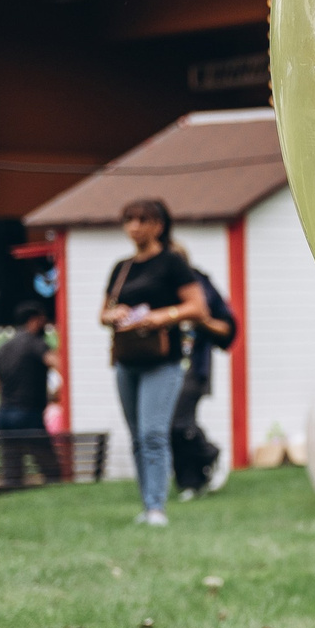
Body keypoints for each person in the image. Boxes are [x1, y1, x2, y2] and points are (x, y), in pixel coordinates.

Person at [100, 197, 208, 527]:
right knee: (136, 436)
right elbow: (103, 312)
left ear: (157, 226)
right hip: (127, 360)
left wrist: (160, 317)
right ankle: (147, 503)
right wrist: (114, 314)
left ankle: (157, 508)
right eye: (128, 220)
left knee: (153, 434)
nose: (133, 227)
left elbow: (197, 308)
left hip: (163, 361)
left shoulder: (172, 263)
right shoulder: (122, 268)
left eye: (141, 220)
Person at [170, 266, 235, 498]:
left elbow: (227, 327)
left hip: (193, 366)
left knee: (179, 422)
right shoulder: (154, 278)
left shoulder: (200, 283)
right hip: (161, 366)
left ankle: (210, 454)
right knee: (171, 427)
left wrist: (200, 319)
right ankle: (189, 481)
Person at [0, 300, 61, 484]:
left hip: (5, 413)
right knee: (51, 467)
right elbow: (57, 364)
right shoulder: (35, 343)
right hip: (28, 412)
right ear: (34, 320)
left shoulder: (3, 348)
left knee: (12, 470)